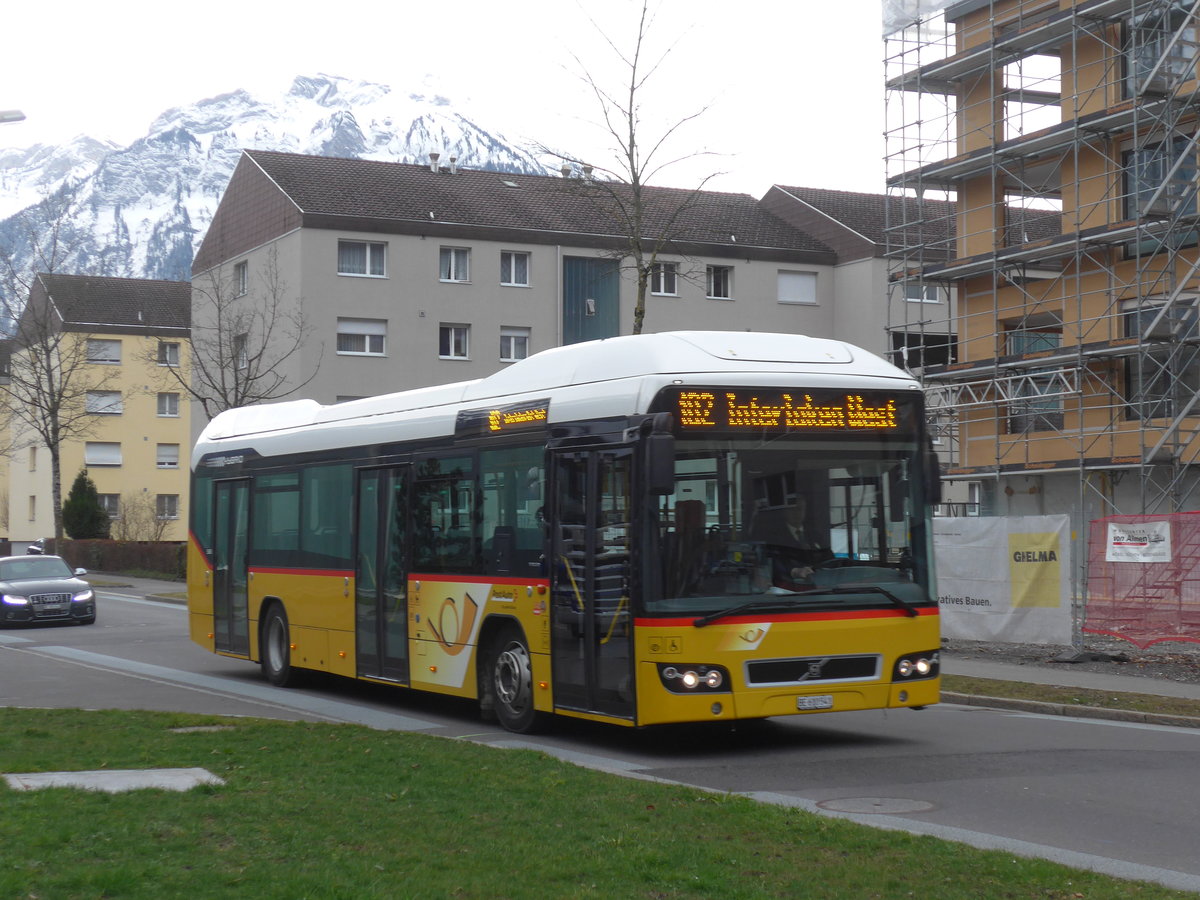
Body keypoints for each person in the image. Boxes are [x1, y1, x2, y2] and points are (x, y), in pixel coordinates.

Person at [751, 496, 832, 590]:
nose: (796, 513)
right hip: (789, 589)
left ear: (805, 511)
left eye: (800, 509)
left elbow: (828, 556)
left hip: (819, 587)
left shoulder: (814, 534)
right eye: (792, 509)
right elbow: (774, 561)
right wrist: (793, 571)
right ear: (785, 511)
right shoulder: (775, 536)